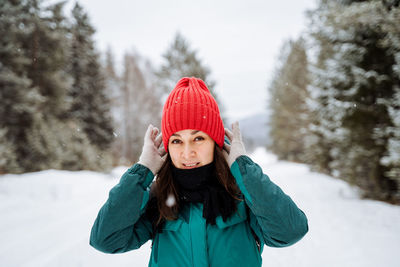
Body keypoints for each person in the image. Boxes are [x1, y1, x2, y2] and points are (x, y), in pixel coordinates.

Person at [90, 77, 308, 266]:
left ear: (215, 142)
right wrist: (142, 171)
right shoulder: (158, 199)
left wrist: (243, 167)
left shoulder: (242, 195)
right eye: (176, 141)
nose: (187, 153)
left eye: (198, 138)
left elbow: (290, 231)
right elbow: (105, 240)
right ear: (167, 147)